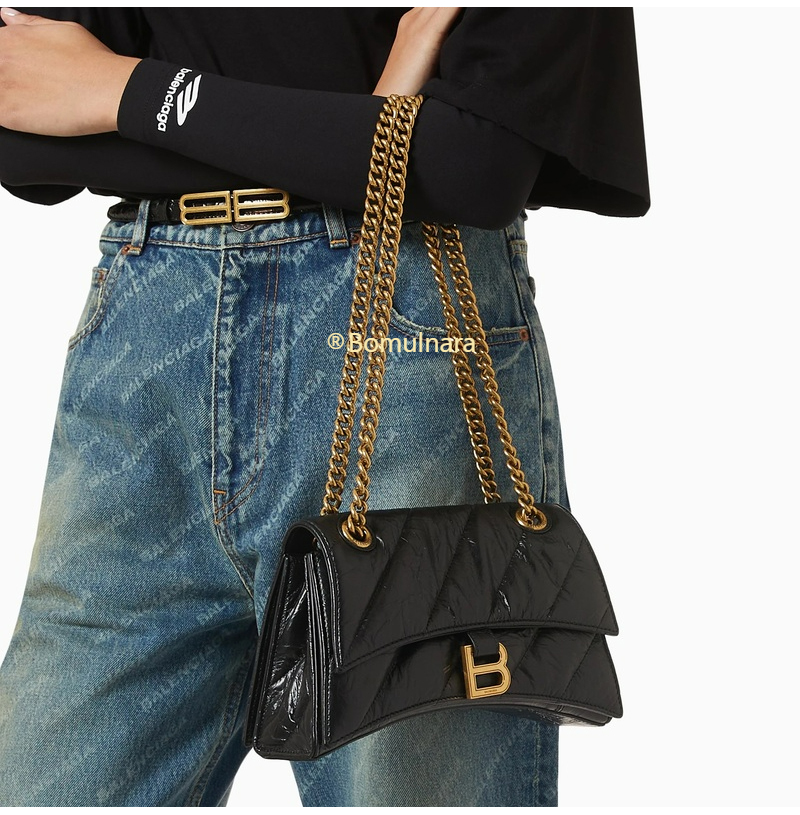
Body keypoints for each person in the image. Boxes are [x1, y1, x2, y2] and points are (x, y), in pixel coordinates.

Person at [0, 7, 649, 807]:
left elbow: (470, 162)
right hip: (147, 334)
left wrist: (119, 91)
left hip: (403, 326)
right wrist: (365, 121)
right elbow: (24, 130)